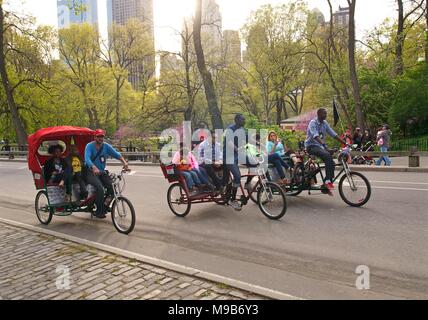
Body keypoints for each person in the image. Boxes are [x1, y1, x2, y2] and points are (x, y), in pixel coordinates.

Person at [85, 129, 129, 219]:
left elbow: (117, 154)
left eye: (102, 136)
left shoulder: (106, 146)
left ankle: (104, 206)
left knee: (112, 188)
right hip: (90, 172)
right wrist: (94, 167)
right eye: (98, 136)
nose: (101, 138)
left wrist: (124, 163)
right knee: (100, 188)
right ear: (95, 137)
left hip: (101, 172)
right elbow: (87, 159)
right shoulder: (89, 146)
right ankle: (99, 211)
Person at [305, 108, 349, 196]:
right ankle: (328, 181)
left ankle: (325, 184)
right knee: (327, 155)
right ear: (319, 114)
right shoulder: (313, 123)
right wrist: (325, 146)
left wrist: (344, 143)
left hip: (320, 147)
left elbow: (333, 134)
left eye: (326, 114)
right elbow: (315, 136)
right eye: (324, 114)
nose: (326, 115)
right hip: (311, 146)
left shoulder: (325, 123)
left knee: (331, 162)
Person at [223, 114, 247, 211]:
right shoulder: (230, 129)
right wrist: (237, 149)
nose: (244, 121)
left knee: (255, 163)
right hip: (229, 157)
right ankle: (232, 199)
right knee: (237, 176)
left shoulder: (242, 129)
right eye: (243, 119)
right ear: (237, 120)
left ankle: (249, 183)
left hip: (238, 155)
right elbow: (229, 142)